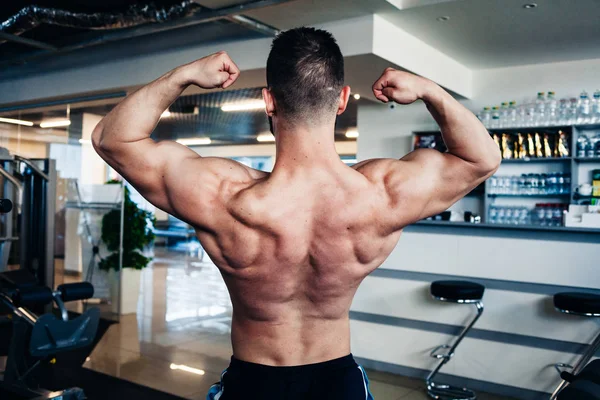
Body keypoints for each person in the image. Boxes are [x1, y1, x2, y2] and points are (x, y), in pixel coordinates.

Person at [93, 27, 501, 400]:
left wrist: (182, 75)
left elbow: (112, 138)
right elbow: (481, 158)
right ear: (342, 99)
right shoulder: (381, 194)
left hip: (254, 383)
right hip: (335, 383)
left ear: (268, 100)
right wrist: (431, 90)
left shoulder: (222, 196)